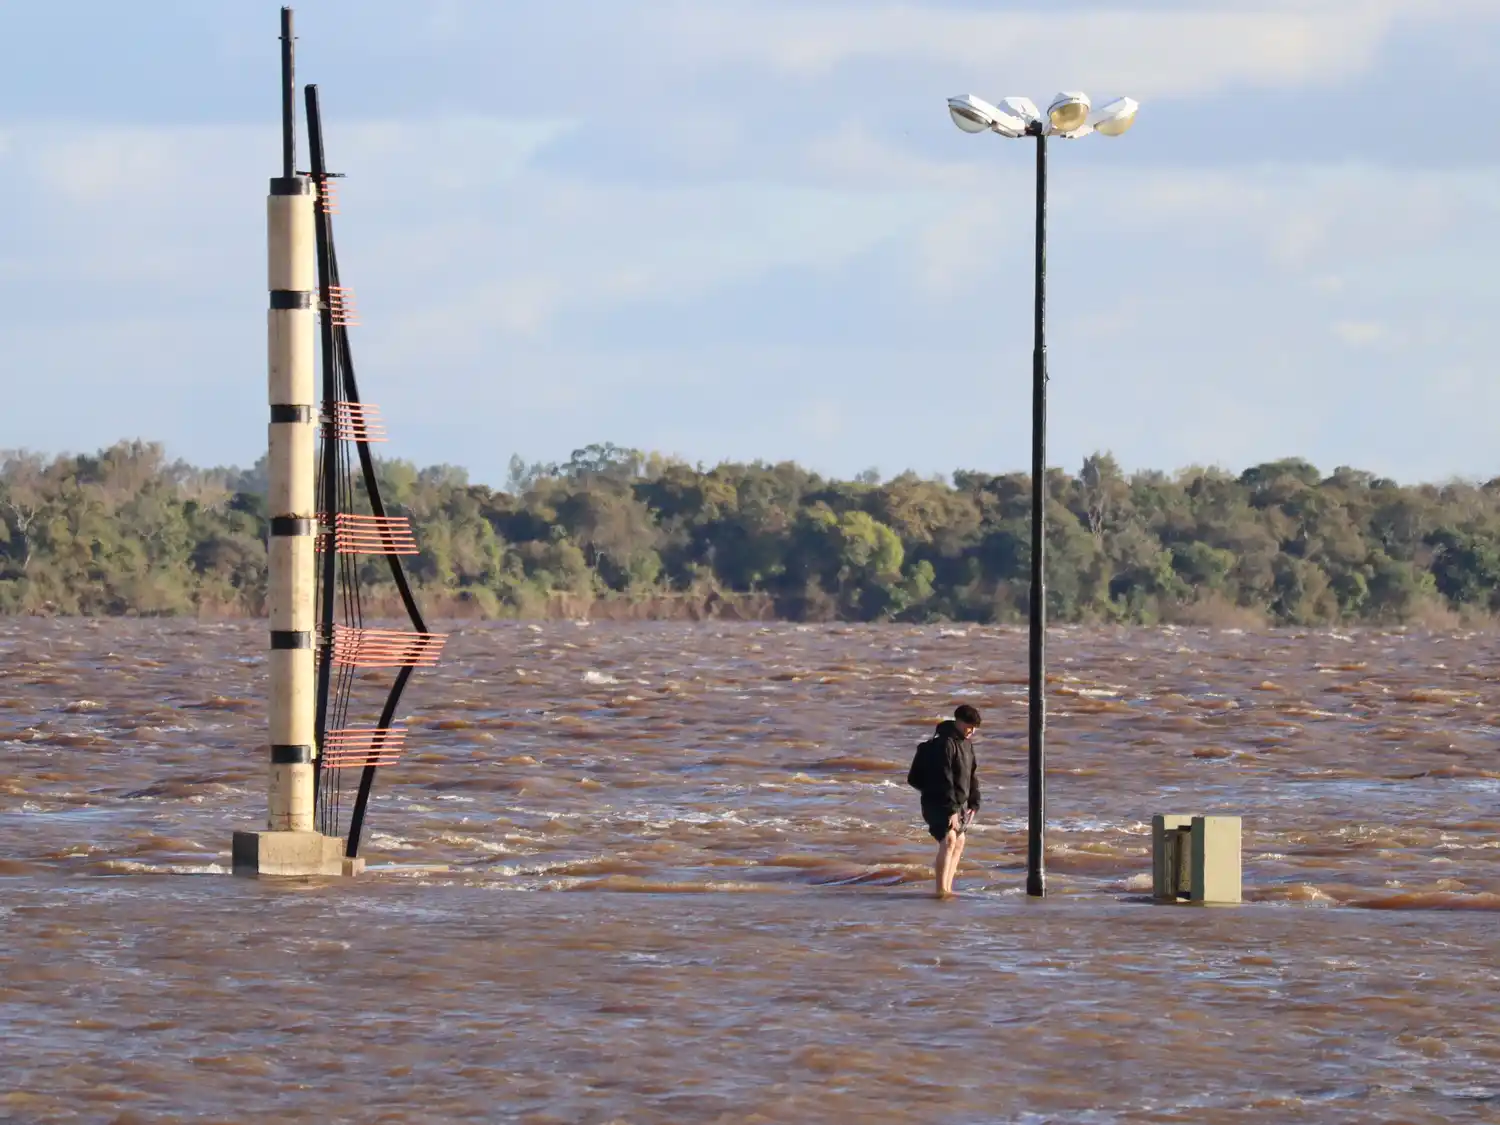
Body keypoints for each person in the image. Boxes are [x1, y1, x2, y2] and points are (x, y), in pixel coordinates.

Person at [907, 704, 982, 898]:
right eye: (968, 726)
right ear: (957, 721)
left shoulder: (967, 744)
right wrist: (952, 810)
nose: (971, 731)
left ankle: (948, 888)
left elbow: (971, 775)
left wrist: (974, 803)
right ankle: (941, 890)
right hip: (938, 802)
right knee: (948, 839)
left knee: (959, 841)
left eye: (974, 728)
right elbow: (944, 777)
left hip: (958, 803)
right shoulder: (945, 743)